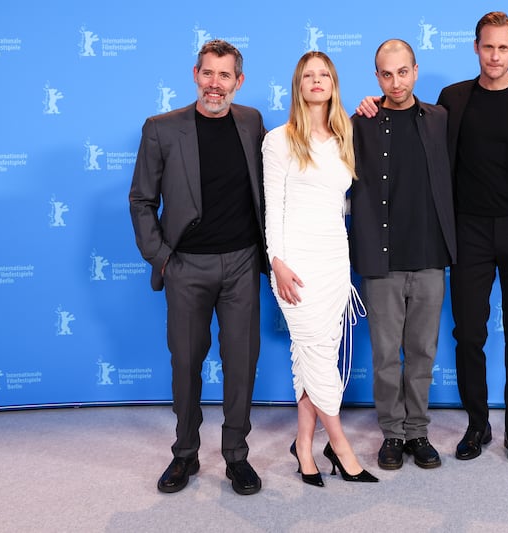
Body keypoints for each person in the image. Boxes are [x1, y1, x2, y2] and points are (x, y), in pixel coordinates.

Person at [357, 11, 508, 466]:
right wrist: (370, 105)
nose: (494, 55)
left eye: (503, 48)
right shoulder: (452, 100)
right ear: (475, 47)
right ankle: (477, 425)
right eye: (487, 46)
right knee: (468, 335)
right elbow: (408, 123)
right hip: (468, 233)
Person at [129, 39, 267, 495]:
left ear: (238, 81)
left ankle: (236, 457)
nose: (215, 84)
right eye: (208, 73)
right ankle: (184, 453)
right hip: (186, 266)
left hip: (243, 264)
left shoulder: (251, 122)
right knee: (186, 362)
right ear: (195, 75)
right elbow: (141, 200)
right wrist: (163, 259)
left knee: (241, 363)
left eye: (225, 75)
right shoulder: (161, 129)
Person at [263, 51, 378, 486]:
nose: (317, 81)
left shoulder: (345, 136)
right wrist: (278, 263)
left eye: (324, 74)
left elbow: (341, 204)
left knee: (316, 356)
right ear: (298, 84)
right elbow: (274, 209)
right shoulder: (279, 140)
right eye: (308, 75)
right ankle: (342, 447)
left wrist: (370, 105)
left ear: (333, 83)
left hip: (334, 262)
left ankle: (303, 446)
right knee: (315, 353)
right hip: (295, 263)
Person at [349, 39, 456, 471]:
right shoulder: (360, 122)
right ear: (377, 77)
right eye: (386, 74)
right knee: (386, 355)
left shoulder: (440, 119)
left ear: (415, 70)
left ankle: (419, 433)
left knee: (422, 352)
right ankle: (392, 433)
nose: (396, 82)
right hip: (382, 258)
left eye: (403, 72)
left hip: (430, 254)